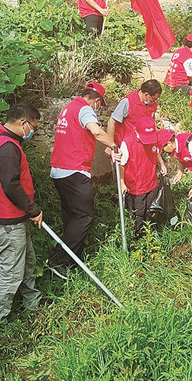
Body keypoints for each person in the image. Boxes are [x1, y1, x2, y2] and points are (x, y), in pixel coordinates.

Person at [0, 103, 44, 328]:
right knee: (10, 274)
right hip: (8, 219)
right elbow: (10, 185)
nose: (32, 132)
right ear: (22, 123)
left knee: (27, 261)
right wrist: (33, 209)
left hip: (13, 216)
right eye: (32, 127)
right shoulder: (7, 147)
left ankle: (32, 303)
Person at [46, 82, 113, 277]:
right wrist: (115, 146)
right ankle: (58, 261)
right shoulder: (85, 109)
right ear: (96, 100)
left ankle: (72, 261)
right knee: (84, 217)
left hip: (59, 170)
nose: (99, 109)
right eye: (100, 105)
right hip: (74, 171)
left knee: (72, 216)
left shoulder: (69, 108)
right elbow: (97, 131)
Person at [115, 115, 170, 241]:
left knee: (151, 210)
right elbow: (121, 165)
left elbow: (156, 151)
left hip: (151, 182)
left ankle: (151, 234)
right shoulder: (127, 143)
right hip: (136, 186)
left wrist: (161, 164)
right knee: (138, 214)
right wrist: (122, 183)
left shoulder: (154, 137)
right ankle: (138, 240)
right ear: (135, 130)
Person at [105, 79, 162, 148]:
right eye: (154, 99)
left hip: (142, 145)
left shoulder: (152, 104)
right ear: (146, 94)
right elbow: (111, 122)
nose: (155, 102)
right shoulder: (127, 102)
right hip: (125, 146)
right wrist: (110, 145)